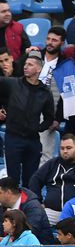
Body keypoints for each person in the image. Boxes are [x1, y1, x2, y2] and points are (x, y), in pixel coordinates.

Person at [0, 53, 55, 188]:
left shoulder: (45, 92)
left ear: (38, 69)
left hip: (33, 140)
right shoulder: (12, 83)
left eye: (30, 65)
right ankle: (11, 207)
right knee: (12, 179)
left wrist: (38, 128)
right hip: (13, 137)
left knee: (30, 180)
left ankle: (28, 206)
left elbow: (49, 118)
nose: (25, 67)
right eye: (25, 64)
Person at [0, 175, 52, 243]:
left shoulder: (33, 207)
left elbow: (31, 232)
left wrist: (5, 240)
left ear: (8, 193)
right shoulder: (3, 205)